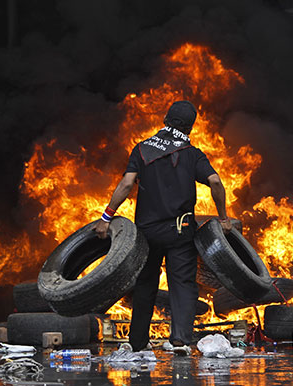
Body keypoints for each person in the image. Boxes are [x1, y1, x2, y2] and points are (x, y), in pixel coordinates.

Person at [93, 100, 232, 355]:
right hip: (180, 232)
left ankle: (137, 342)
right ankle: (179, 339)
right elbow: (215, 182)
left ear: (166, 119)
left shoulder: (143, 149)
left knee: (145, 284)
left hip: (147, 234)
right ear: (190, 127)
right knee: (182, 284)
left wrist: (106, 217)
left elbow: (126, 184)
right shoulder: (193, 154)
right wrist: (223, 218)